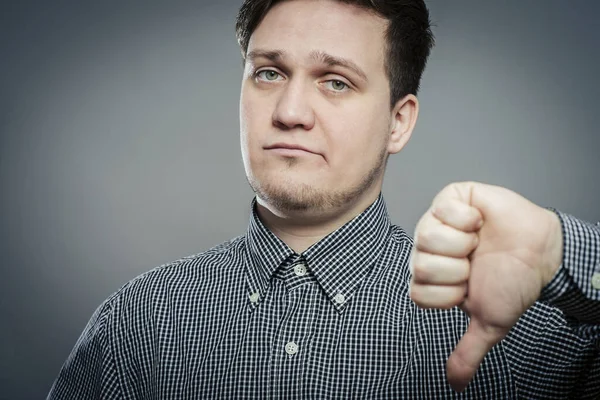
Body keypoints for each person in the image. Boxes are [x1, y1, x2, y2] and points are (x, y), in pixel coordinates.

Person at [47, 0, 600, 398]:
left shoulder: (517, 328)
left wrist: (561, 252)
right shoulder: (135, 321)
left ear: (398, 123)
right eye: (268, 72)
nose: (289, 111)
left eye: (335, 81)